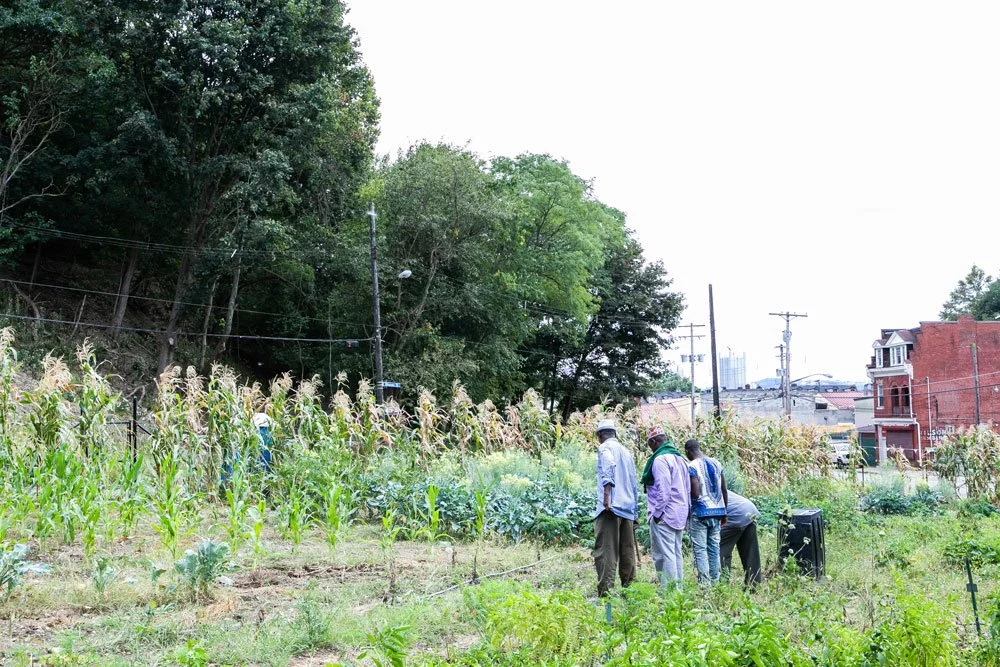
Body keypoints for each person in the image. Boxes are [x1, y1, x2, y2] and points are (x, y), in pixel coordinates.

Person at [592, 419, 639, 597]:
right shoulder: (626, 452)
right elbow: (633, 483)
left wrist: (606, 499)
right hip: (627, 508)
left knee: (606, 551)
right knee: (627, 551)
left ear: (601, 436)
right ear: (615, 434)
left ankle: (606, 594)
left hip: (610, 508)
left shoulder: (605, 448)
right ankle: (631, 592)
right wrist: (634, 512)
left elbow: (609, 468)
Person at [641, 424, 690, 590]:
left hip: (665, 514)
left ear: (654, 441)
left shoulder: (660, 460)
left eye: (649, 443)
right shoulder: (680, 459)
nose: (649, 447)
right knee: (676, 554)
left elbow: (664, 490)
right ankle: (678, 592)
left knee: (665, 555)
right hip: (679, 513)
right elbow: (687, 487)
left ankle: (669, 594)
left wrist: (656, 514)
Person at [685, 438, 728, 585]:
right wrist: (725, 512)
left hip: (700, 513)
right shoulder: (716, 463)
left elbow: (696, 493)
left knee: (701, 549)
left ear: (688, 452)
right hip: (717, 512)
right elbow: (723, 489)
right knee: (714, 548)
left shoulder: (692, 466)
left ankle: (705, 585)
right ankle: (715, 581)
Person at [720, 491, 762, 588]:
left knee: (720, 550)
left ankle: (721, 585)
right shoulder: (713, 481)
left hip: (734, 513)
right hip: (749, 510)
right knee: (750, 551)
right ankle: (754, 584)